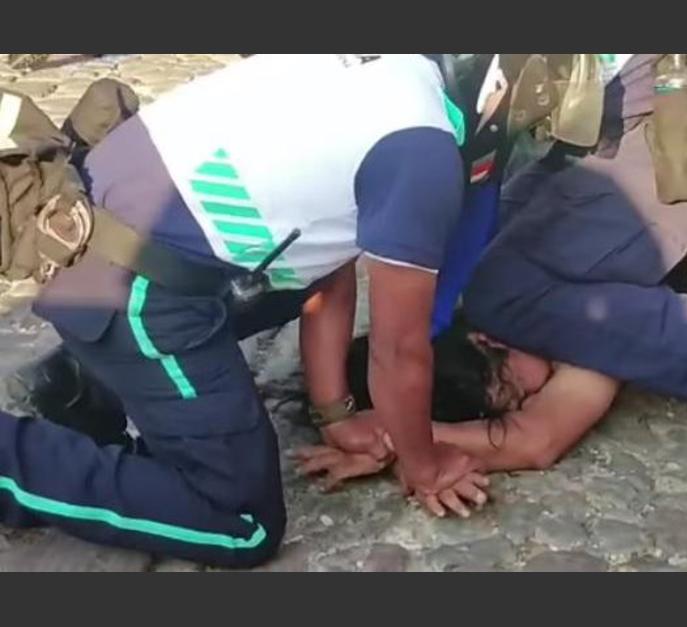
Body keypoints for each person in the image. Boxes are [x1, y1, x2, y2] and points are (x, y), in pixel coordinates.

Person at [0, 54, 604, 567]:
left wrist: (336, 413)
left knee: (286, 276)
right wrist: (424, 465)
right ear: (498, 89)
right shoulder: (423, 151)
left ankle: (91, 382)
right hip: (124, 279)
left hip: (108, 222)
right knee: (239, 520)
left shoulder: (393, 72)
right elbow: (399, 351)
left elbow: (327, 269)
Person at [294, 54, 687, 489]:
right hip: (638, 117)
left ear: (483, 341)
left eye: (509, 391)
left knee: (504, 284)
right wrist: (404, 437)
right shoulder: (566, 329)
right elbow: (534, 439)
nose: (535, 393)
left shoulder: (517, 311)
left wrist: (399, 436)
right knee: (526, 252)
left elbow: (529, 432)